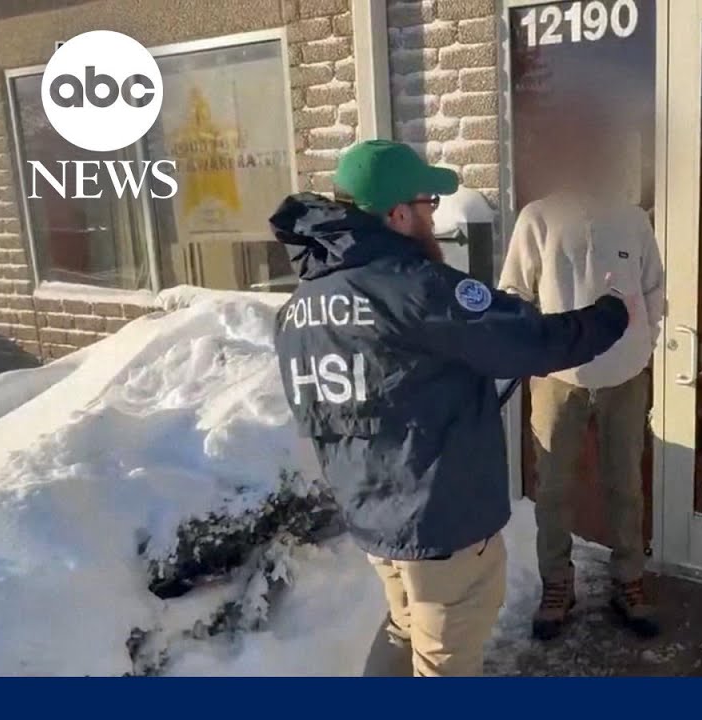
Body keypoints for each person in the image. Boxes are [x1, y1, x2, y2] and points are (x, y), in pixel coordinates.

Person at [271, 139, 632, 676]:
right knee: (445, 664)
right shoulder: (418, 289)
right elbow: (533, 341)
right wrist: (611, 315)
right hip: (441, 524)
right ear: (398, 214)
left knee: (404, 629)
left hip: (375, 518)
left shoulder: (300, 307)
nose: (434, 218)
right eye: (428, 204)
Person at [498, 107, 665, 641]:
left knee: (625, 484)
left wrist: (642, 347)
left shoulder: (634, 219)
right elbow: (513, 295)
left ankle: (628, 579)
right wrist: (534, 348)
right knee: (554, 488)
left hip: (625, 376)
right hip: (557, 378)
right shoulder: (538, 218)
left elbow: (654, 290)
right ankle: (557, 584)